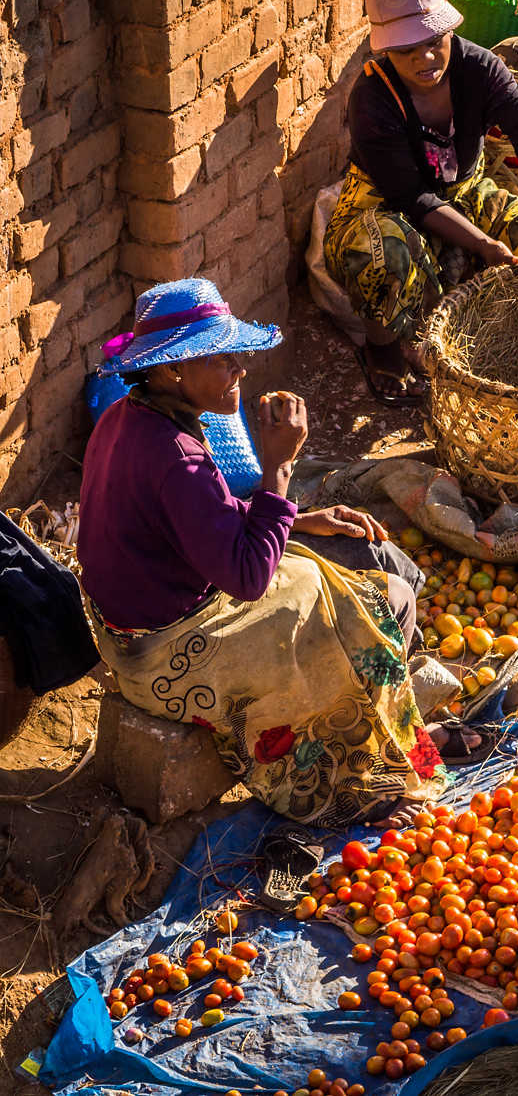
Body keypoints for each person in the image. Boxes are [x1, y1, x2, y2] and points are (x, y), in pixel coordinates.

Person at [77, 278, 452, 828]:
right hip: (166, 655)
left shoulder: (127, 419)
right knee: (360, 605)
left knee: (320, 571)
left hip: (130, 633)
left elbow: (196, 528)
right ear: (173, 371)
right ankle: (360, 776)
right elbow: (248, 578)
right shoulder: (178, 457)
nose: (241, 370)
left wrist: (300, 520)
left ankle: (385, 724)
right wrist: (279, 470)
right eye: (223, 358)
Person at [323, 0, 518, 406]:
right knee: (391, 257)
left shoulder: (479, 68)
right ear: (386, 49)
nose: (425, 57)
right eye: (407, 49)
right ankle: (381, 348)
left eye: (434, 40)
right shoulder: (371, 98)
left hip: (463, 192)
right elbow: (412, 196)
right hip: (384, 206)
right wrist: (483, 246)